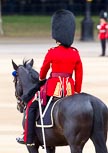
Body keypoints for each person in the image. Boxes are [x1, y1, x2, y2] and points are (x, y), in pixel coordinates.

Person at [16, 9, 83, 145]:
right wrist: (76, 90)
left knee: (32, 105)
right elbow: (79, 73)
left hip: (53, 88)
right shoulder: (75, 53)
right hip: (69, 89)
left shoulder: (52, 52)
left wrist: (41, 79)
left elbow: (44, 70)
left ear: (56, 35)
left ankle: (28, 137)